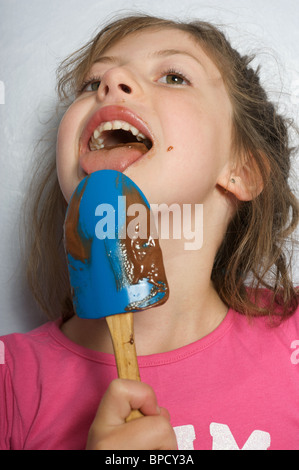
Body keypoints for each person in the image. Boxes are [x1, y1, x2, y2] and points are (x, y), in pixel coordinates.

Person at [1, 14, 298, 450]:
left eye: (174, 76)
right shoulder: (12, 381)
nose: (112, 81)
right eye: (91, 82)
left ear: (242, 169)